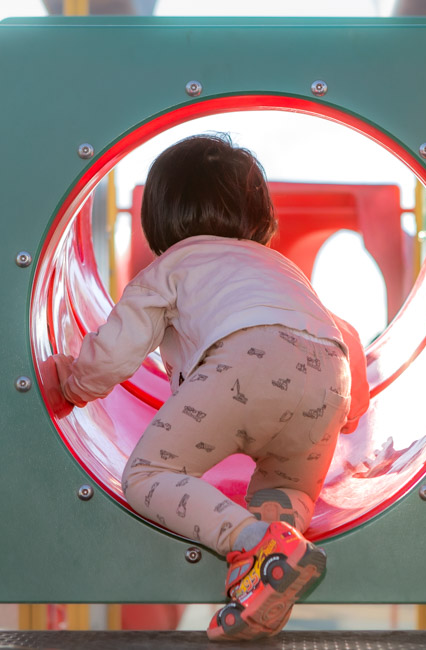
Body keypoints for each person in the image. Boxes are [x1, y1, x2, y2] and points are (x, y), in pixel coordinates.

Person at [45, 134, 368, 641]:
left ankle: (249, 542)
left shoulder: (173, 266)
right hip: (329, 380)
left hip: (246, 365)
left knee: (149, 474)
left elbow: (119, 347)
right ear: (260, 217)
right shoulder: (284, 270)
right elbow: (344, 334)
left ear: (159, 218)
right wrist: (347, 413)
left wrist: (73, 384)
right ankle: (264, 580)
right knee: (284, 491)